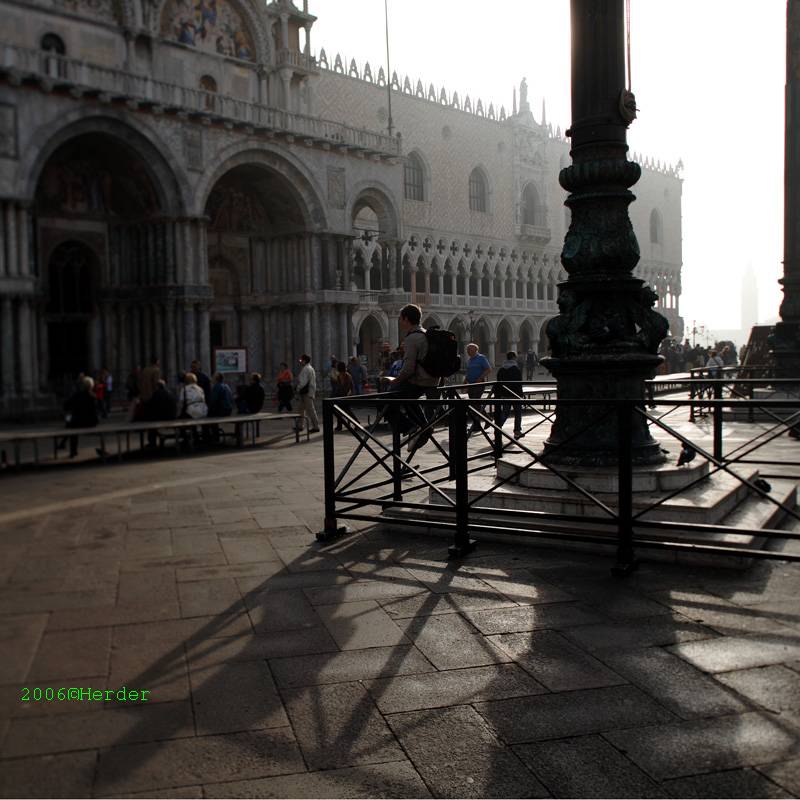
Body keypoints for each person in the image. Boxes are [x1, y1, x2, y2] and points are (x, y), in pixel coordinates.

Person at [385, 304, 440, 453]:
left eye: (401, 318)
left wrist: (395, 381)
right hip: (433, 380)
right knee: (410, 399)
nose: (399, 321)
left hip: (419, 381)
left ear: (406, 319)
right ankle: (424, 428)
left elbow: (408, 369)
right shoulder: (426, 333)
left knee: (385, 402)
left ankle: (411, 428)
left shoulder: (412, 338)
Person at [60, 376, 99, 458]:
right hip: (91, 422)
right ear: (92, 386)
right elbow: (96, 411)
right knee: (71, 421)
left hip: (77, 422)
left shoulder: (77, 395)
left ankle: (70, 449)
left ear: (83, 386)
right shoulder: (93, 396)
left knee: (70, 421)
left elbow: (66, 406)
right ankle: (63, 443)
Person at [496, 351, 524, 439]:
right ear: (514, 358)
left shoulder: (501, 369)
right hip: (515, 394)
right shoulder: (516, 369)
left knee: (505, 412)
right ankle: (517, 431)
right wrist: (521, 394)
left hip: (505, 394)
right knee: (518, 413)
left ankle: (497, 428)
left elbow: (498, 382)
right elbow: (519, 383)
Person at [465, 342, 492, 432]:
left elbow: (488, 369)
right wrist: (465, 381)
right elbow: (468, 372)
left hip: (479, 384)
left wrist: (480, 378)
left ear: (476, 350)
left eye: (470, 350)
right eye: (468, 350)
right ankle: (487, 420)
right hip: (471, 384)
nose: (468, 351)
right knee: (474, 404)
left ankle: (477, 425)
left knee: (475, 403)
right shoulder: (469, 360)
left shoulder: (481, 358)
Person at [296, 354, 320, 432]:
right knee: (301, 409)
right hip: (308, 392)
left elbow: (303, 382)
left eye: (301, 360)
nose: (300, 362)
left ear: (304, 360)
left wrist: (298, 388)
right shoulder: (310, 368)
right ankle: (300, 425)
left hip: (306, 393)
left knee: (310, 410)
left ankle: (316, 427)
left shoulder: (306, 369)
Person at [335, 361, 353, 432]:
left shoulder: (344, 375)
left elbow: (343, 387)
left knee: (345, 411)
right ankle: (340, 425)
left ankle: (356, 422)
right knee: (343, 411)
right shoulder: (345, 375)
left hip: (344, 395)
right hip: (344, 395)